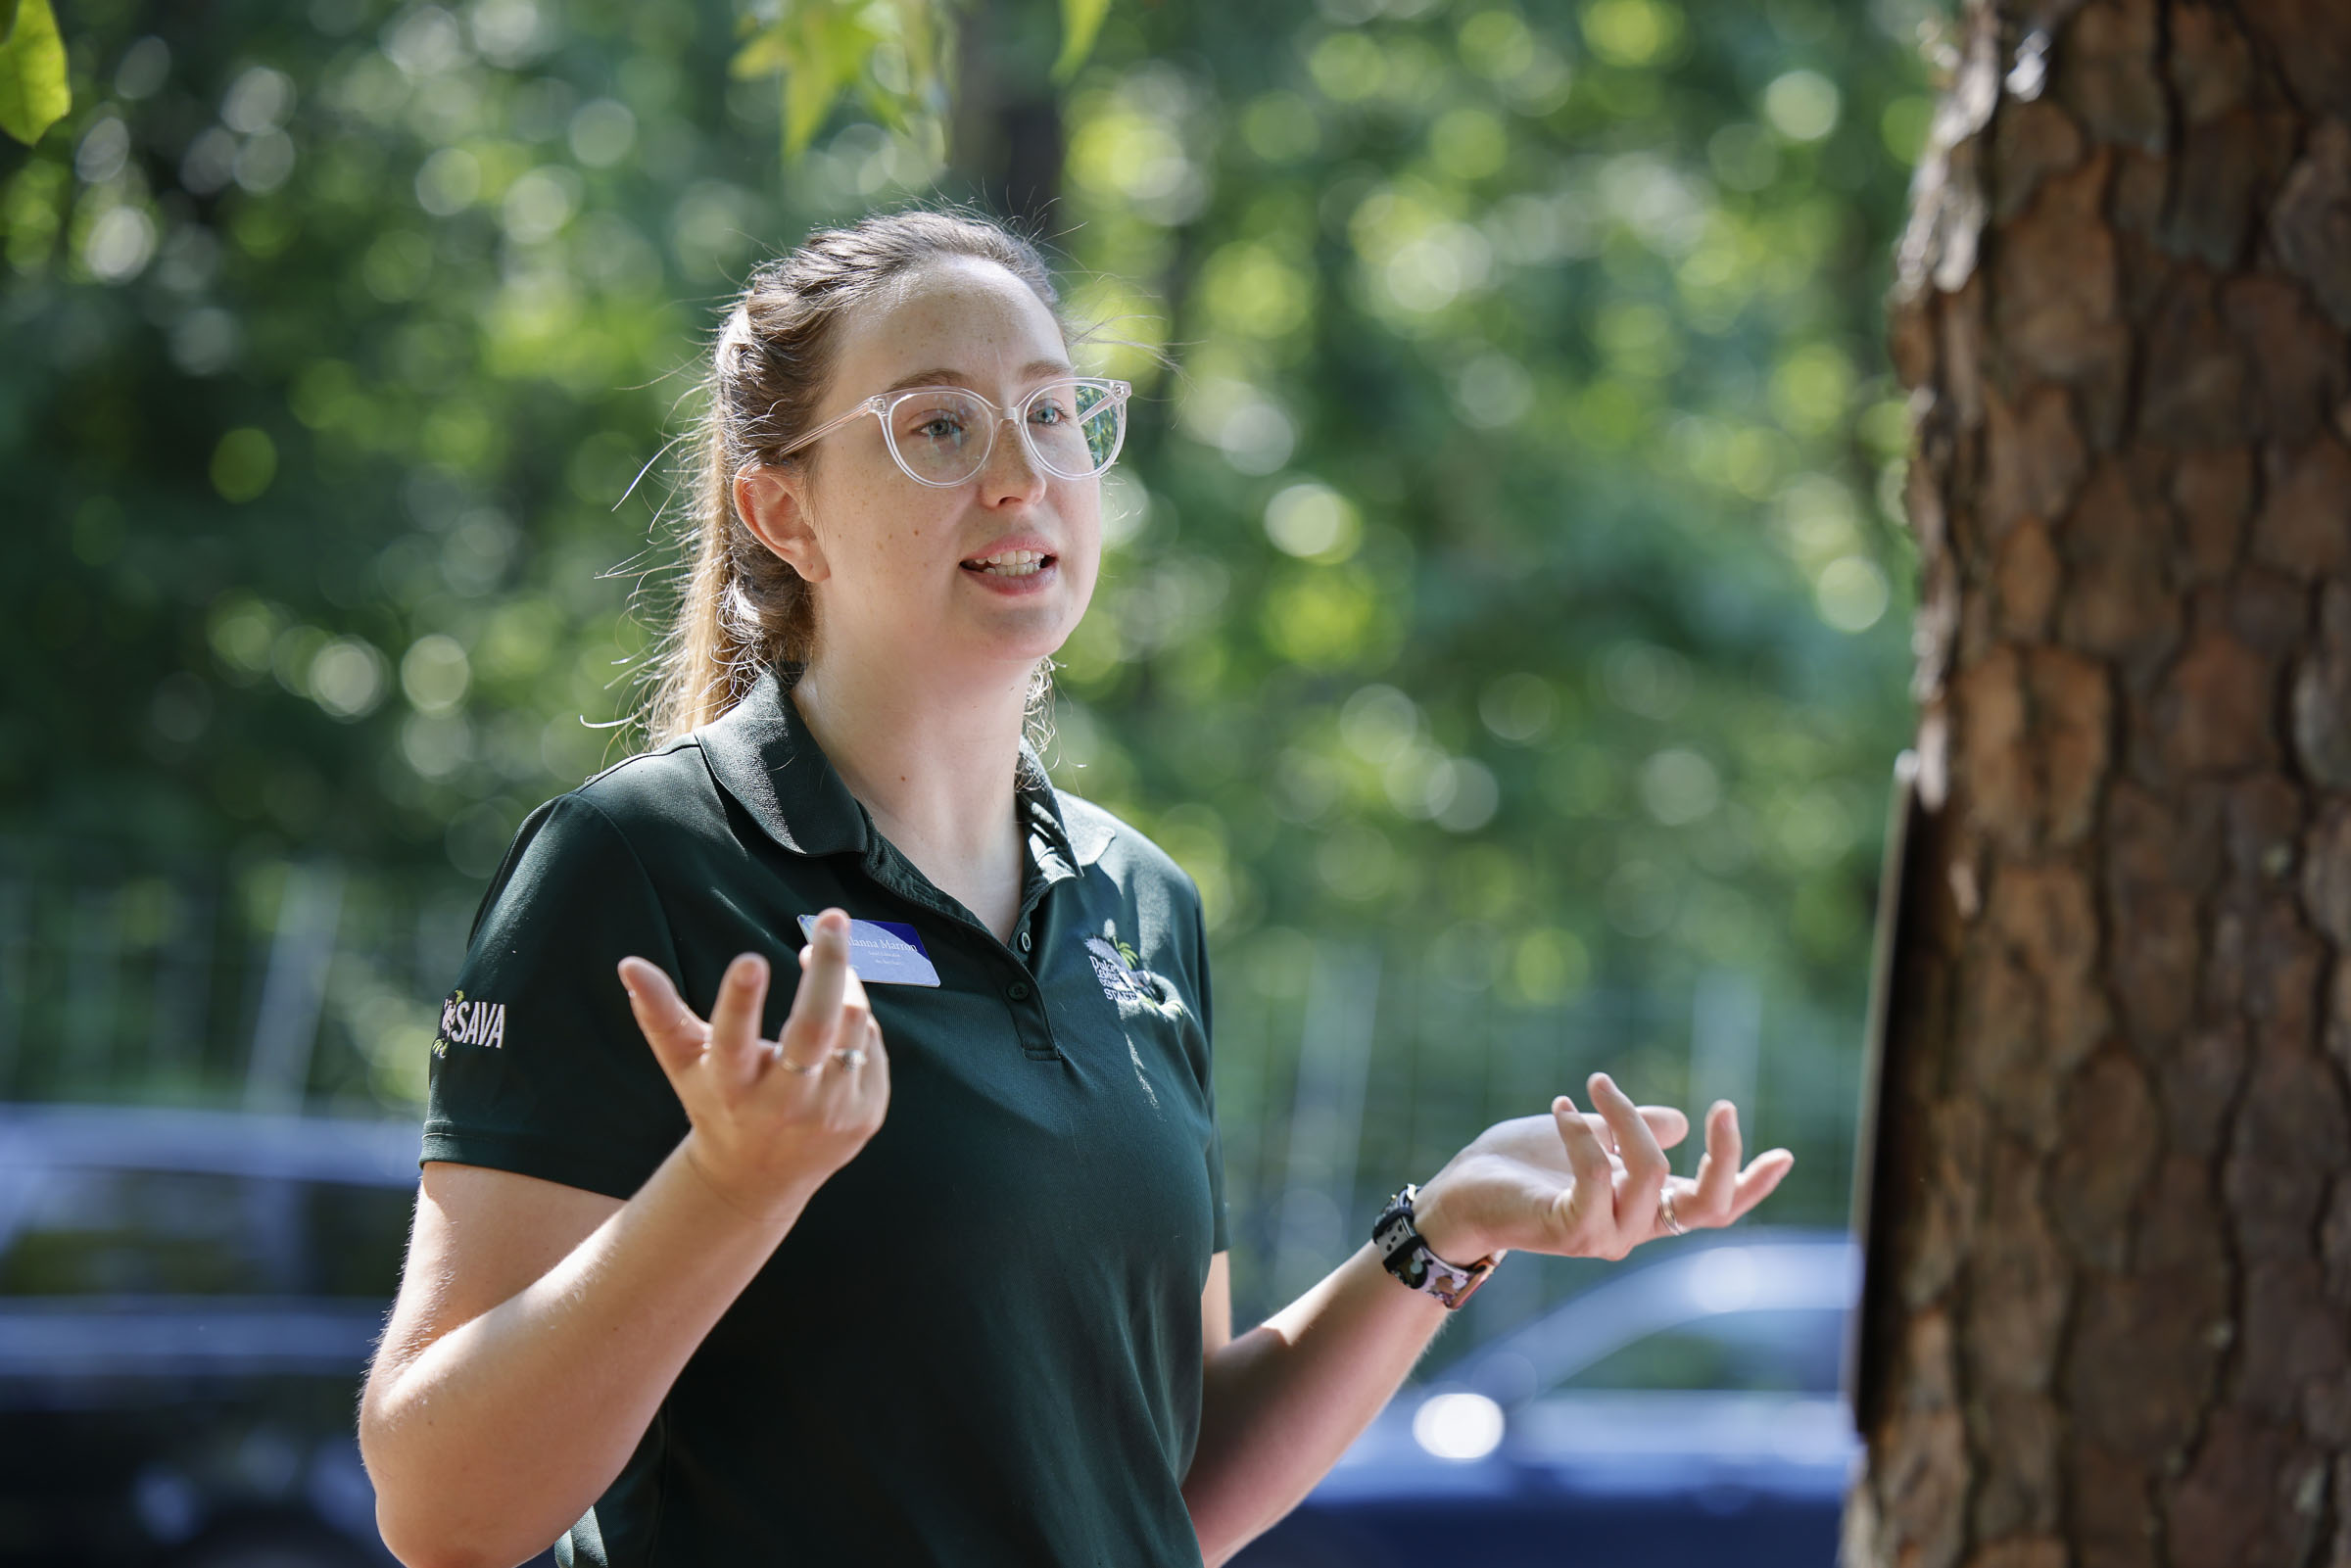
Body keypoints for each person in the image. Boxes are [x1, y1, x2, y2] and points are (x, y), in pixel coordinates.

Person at [356, 206, 1795, 1568]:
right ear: (782, 513)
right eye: (937, 426)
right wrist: (734, 1183)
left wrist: (1447, 1229)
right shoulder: (638, 863)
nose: (1019, 473)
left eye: (1053, 413)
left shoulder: (1139, 897)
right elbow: (442, 1503)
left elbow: (1163, 1488)